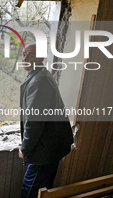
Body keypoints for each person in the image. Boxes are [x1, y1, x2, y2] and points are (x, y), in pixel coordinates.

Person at [19, 44, 73, 198]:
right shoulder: (40, 74)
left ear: (41, 57)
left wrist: (25, 149)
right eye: (23, 54)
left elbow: (34, 121)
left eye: (30, 55)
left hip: (45, 148)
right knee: (43, 189)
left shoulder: (39, 81)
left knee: (30, 190)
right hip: (52, 144)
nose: (25, 59)